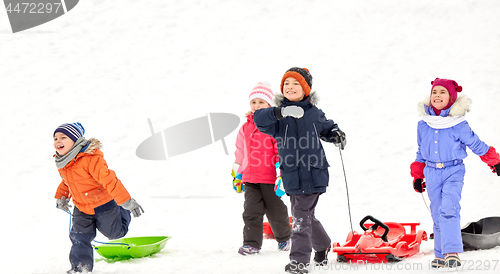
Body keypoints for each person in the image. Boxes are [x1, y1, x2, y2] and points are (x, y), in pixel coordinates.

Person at [253, 68, 346, 274]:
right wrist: (281, 112)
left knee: (301, 217)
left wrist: (336, 134)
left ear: (305, 89)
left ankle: (299, 261)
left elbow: (327, 128)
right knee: (305, 216)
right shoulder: (277, 118)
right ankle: (322, 245)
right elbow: (259, 119)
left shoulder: (314, 113)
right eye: (287, 83)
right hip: (292, 175)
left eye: (296, 83)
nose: (290, 87)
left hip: (314, 172)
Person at [410, 78, 500, 268]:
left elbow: (476, 144)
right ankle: (441, 255)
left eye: (442, 92)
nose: (437, 96)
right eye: (434, 92)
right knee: (436, 213)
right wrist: (418, 175)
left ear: (451, 98)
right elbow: (420, 152)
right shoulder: (424, 124)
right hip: (431, 172)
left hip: (453, 170)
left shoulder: (459, 124)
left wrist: (495, 162)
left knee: (449, 210)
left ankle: (452, 252)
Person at [53, 122, 144, 273]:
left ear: (75, 140)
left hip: (104, 205)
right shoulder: (63, 162)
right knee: (79, 238)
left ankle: (121, 208)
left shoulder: (91, 159)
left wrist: (126, 202)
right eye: (55, 138)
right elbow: (66, 181)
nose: (58, 141)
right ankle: (80, 268)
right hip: (81, 208)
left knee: (115, 234)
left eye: (63, 137)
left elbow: (109, 180)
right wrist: (62, 196)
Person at [232, 82, 292, 255]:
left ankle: (284, 238)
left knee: (276, 211)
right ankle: (251, 244)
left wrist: (281, 174)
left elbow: (280, 151)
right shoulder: (245, 127)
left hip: (270, 179)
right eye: (253, 102)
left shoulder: (274, 126)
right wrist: (237, 174)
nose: (256, 106)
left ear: (269, 105)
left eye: (261, 102)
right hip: (250, 179)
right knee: (251, 212)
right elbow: (240, 152)